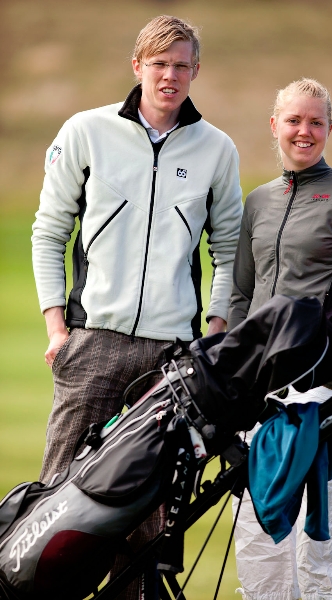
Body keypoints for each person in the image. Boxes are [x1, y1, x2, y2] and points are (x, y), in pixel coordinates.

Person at [32, 14, 243, 599]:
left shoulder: (216, 148)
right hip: (92, 342)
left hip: (171, 355)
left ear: (196, 70)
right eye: (159, 64)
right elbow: (49, 231)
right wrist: (57, 328)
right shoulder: (87, 131)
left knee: (150, 523)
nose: (170, 76)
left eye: (181, 66)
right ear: (137, 66)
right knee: (59, 508)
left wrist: (214, 333)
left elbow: (229, 250)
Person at [228, 78, 332, 600]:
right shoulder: (257, 201)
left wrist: (329, 374)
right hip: (259, 396)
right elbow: (241, 294)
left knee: (321, 541)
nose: (304, 131)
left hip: (325, 394)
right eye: (294, 120)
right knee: (258, 538)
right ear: (275, 125)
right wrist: (234, 372)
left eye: (316, 122)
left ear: (330, 129)